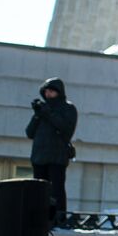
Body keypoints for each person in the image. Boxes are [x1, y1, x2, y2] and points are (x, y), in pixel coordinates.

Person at [27, 77, 77, 214]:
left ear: (59, 92)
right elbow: (29, 132)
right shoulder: (42, 110)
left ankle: (57, 216)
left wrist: (48, 113)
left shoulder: (68, 108)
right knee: (38, 190)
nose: (48, 95)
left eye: (51, 92)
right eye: (46, 92)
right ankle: (37, 215)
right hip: (39, 156)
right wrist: (38, 114)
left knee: (56, 190)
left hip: (57, 156)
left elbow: (66, 129)